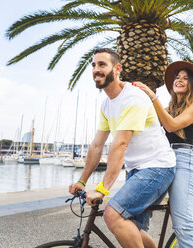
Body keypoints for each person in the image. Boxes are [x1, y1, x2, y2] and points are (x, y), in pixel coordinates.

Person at [69, 48, 176, 248]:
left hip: (158, 167)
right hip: (136, 170)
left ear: (117, 69)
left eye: (102, 64)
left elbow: (120, 144)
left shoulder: (133, 98)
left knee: (112, 215)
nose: (95, 70)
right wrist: (81, 181)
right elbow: (96, 145)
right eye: (93, 65)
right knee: (133, 229)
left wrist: (102, 189)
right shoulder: (107, 104)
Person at [133, 61, 193, 248]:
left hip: (184, 162)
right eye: (177, 77)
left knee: (183, 226)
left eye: (185, 78)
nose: (179, 80)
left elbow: (171, 125)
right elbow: (146, 122)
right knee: (135, 219)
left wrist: (152, 96)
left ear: (192, 85)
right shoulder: (167, 110)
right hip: (162, 160)